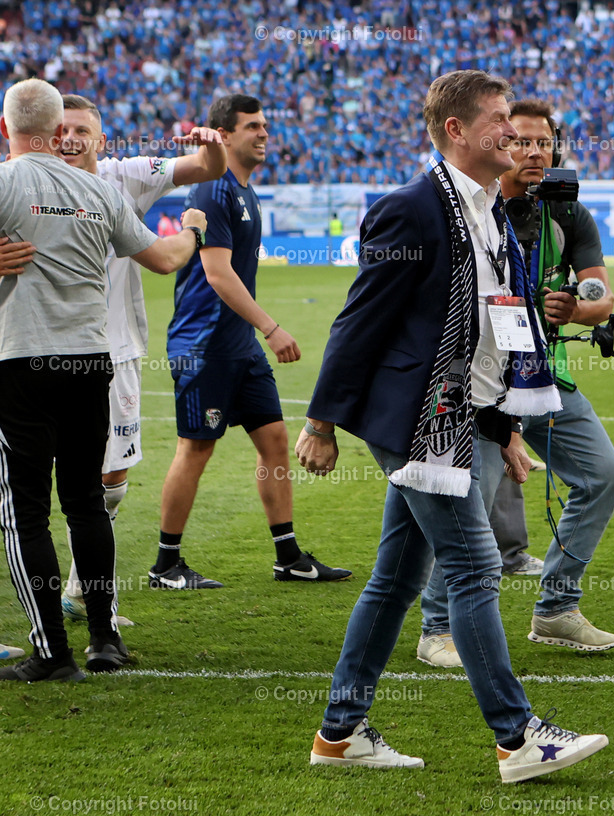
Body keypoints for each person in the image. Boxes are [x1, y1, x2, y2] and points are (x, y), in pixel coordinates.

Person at [295, 70, 608, 782]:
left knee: (395, 579)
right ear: (456, 130)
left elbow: (490, 336)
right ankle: (517, 737)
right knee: (473, 567)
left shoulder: (490, 210)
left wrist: (506, 427)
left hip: (462, 416)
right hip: (417, 422)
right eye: (499, 119)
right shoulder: (411, 210)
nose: (514, 132)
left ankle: (339, 734)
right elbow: (358, 323)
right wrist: (320, 422)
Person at [0, 79, 206, 682]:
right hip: (91, 362)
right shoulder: (98, 190)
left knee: (26, 511)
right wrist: (192, 230)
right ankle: (102, 638)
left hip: (23, 360)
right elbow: (165, 259)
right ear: (56, 128)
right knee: (86, 502)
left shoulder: (6, 182)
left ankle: (51, 653)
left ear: (7, 127)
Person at [416, 98, 614, 669]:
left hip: (543, 375)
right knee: (472, 500)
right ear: (501, 143)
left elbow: (602, 298)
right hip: (480, 380)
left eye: (544, 143)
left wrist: (575, 308)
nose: (534, 152)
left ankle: (556, 607)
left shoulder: (568, 213)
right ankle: (437, 627)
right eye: (522, 140)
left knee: (603, 476)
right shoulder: (475, 205)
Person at [150, 94, 351, 589]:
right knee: (196, 447)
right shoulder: (212, 189)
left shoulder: (245, 190)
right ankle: (165, 565)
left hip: (238, 344)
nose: (264, 133)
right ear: (223, 135)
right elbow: (217, 273)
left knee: (275, 440)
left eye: (265, 125)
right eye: (252, 126)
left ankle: (288, 557)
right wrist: (271, 327)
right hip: (204, 343)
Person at [55, 93, 228, 625]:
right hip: (39, 352)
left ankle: (80, 589)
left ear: (101, 140)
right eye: (60, 130)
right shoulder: (23, 181)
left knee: (112, 478)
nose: (70, 139)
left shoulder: (124, 176)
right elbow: (163, 259)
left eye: (81, 130)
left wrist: (212, 145)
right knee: (27, 485)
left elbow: (205, 167)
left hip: (116, 351)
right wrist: (192, 229)